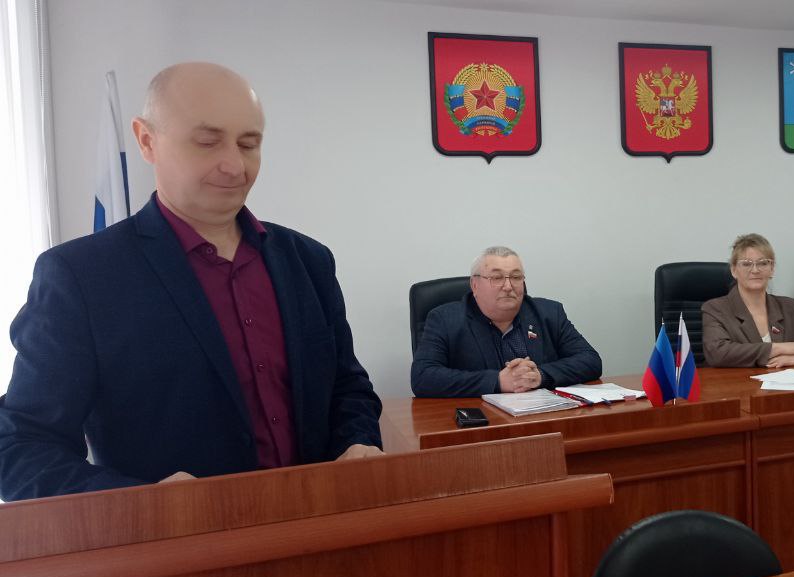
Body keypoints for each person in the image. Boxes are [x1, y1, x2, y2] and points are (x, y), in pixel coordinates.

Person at [0, 63, 383, 501]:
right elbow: (21, 446)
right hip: (177, 540)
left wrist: (358, 443)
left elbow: (348, 388)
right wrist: (142, 503)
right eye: (207, 142)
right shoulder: (81, 276)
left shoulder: (308, 260)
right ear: (147, 140)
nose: (234, 166)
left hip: (320, 523)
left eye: (249, 144)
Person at [411, 246, 602, 397]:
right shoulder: (445, 319)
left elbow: (590, 360)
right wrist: (498, 381)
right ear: (474, 285)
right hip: (482, 424)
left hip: (541, 418)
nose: (508, 286)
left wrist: (540, 376)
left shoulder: (549, 313)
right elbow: (423, 377)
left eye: (516, 277)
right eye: (497, 277)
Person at [701, 233, 794, 367]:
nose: (755, 270)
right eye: (746, 264)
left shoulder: (790, 307)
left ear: (772, 269)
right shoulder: (715, 309)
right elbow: (717, 353)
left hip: (785, 382)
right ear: (733, 270)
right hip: (738, 383)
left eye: (763, 263)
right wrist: (779, 348)